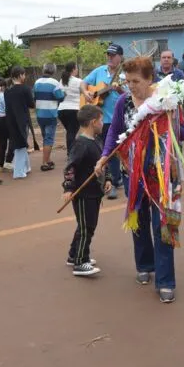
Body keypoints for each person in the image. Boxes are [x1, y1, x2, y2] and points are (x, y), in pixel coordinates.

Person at [97, 56, 184, 303]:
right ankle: (145, 265)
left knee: (162, 225)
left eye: (136, 81)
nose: (131, 86)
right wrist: (104, 157)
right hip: (132, 172)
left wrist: (172, 115)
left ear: (150, 79)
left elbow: (183, 132)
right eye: (128, 81)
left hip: (162, 172)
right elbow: (114, 132)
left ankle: (166, 280)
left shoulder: (166, 99)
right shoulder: (123, 103)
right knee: (138, 220)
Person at [62, 105, 112, 277]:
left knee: (85, 225)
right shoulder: (81, 144)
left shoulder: (96, 140)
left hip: (94, 192)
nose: (102, 124)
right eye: (101, 120)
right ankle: (80, 261)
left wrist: (108, 179)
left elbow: (104, 162)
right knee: (87, 228)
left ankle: (73, 254)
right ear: (93, 122)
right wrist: (68, 187)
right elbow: (70, 167)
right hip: (83, 194)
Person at [82, 43, 126, 199]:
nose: (110, 57)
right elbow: (83, 82)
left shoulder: (124, 74)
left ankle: (117, 178)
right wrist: (86, 92)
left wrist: (120, 89)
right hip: (100, 119)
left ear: (120, 57)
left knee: (118, 150)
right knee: (107, 152)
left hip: (120, 118)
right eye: (108, 54)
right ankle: (112, 182)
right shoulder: (99, 70)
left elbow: (129, 93)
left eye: (113, 55)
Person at [4, 66, 36, 179]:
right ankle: (18, 172)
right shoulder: (25, 89)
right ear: (20, 75)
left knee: (20, 142)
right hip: (22, 120)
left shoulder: (7, 91)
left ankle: (26, 167)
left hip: (10, 120)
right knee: (20, 144)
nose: (25, 76)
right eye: (24, 74)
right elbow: (31, 104)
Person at [34, 63, 65, 171]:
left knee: (45, 137)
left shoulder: (36, 82)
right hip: (50, 113)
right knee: (49, 138)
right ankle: (45, 162)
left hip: (39, 113)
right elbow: (60, 97)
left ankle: (48, 159)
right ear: (53, 71)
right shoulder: (55, 83)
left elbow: (34, 96)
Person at [58, 62, 82, 156]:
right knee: (72, 132)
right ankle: (71, 153)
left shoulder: (61, 80)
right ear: (73, 69)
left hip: (61, 110)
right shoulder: (78, 81)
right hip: (74, 109)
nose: (77, 70)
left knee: (70, 132)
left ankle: (72, 150)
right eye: (76, 68)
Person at [0, 78, 14, 172]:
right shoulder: (3, 96)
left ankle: (0, 165)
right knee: (13, 139)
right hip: (4, 119)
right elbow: (7, 109)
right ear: (4, 86)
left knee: (2, 143)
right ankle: (8, 161)